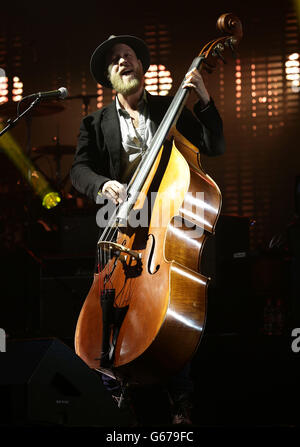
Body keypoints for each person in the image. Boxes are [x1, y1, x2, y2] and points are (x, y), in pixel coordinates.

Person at [70, 34, 225, 425]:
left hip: (165, 220)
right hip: (121, 226)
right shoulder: (94, 123)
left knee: (172, 300)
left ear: (142, 67)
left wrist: (203, 98)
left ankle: (181, 397)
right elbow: (79, 171)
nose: (124, 62)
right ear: (108, 76)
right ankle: (114, 389)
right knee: (111, 303)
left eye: (130, 56)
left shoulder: (168, 110)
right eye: (115, 60)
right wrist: (102, 184)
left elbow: (214, 145)